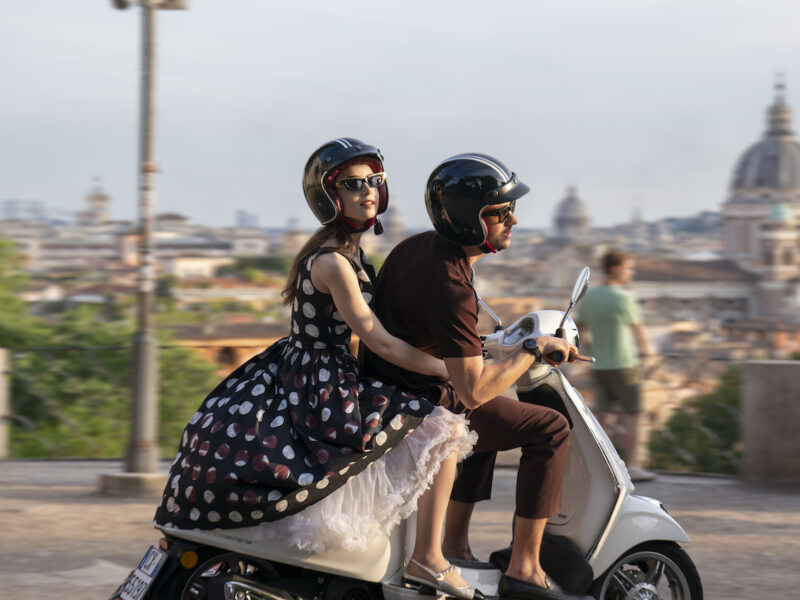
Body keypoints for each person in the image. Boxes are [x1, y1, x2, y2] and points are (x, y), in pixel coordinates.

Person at [154, 138, 480, 600]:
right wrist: (450, 370)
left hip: (314, 371)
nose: (368, 192)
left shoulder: (346, 253)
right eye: (353, 184)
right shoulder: (333, 262)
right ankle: (429, 558)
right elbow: (378, 339)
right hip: (322, 382)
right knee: (443, 429)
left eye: (375, 182)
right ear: (331, 196)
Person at [363, 153, 591, 600]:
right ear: (472, 220)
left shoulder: (416, 248)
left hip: (388, 389)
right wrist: (531, 349)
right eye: (501, 213)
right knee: (549, 428)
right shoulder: (452, 284)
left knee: (493, 419)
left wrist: (489, 346)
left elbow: (430, 336)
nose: (515, 221)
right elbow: (471, 388)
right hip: (416, 402)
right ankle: (526, 567)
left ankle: (455, 542)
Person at [575, 248, 655, 482]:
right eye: (629, 269)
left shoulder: (589, 298)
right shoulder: (625, 298)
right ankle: (632, 466)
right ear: (617, 269)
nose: (632, 273)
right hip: (624, 364)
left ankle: (601, 466)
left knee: (602, 416)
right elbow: (639, 333)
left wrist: (590, 348)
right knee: (633, 414)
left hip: (599, 365)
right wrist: (649, 354)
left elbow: (579, 331)